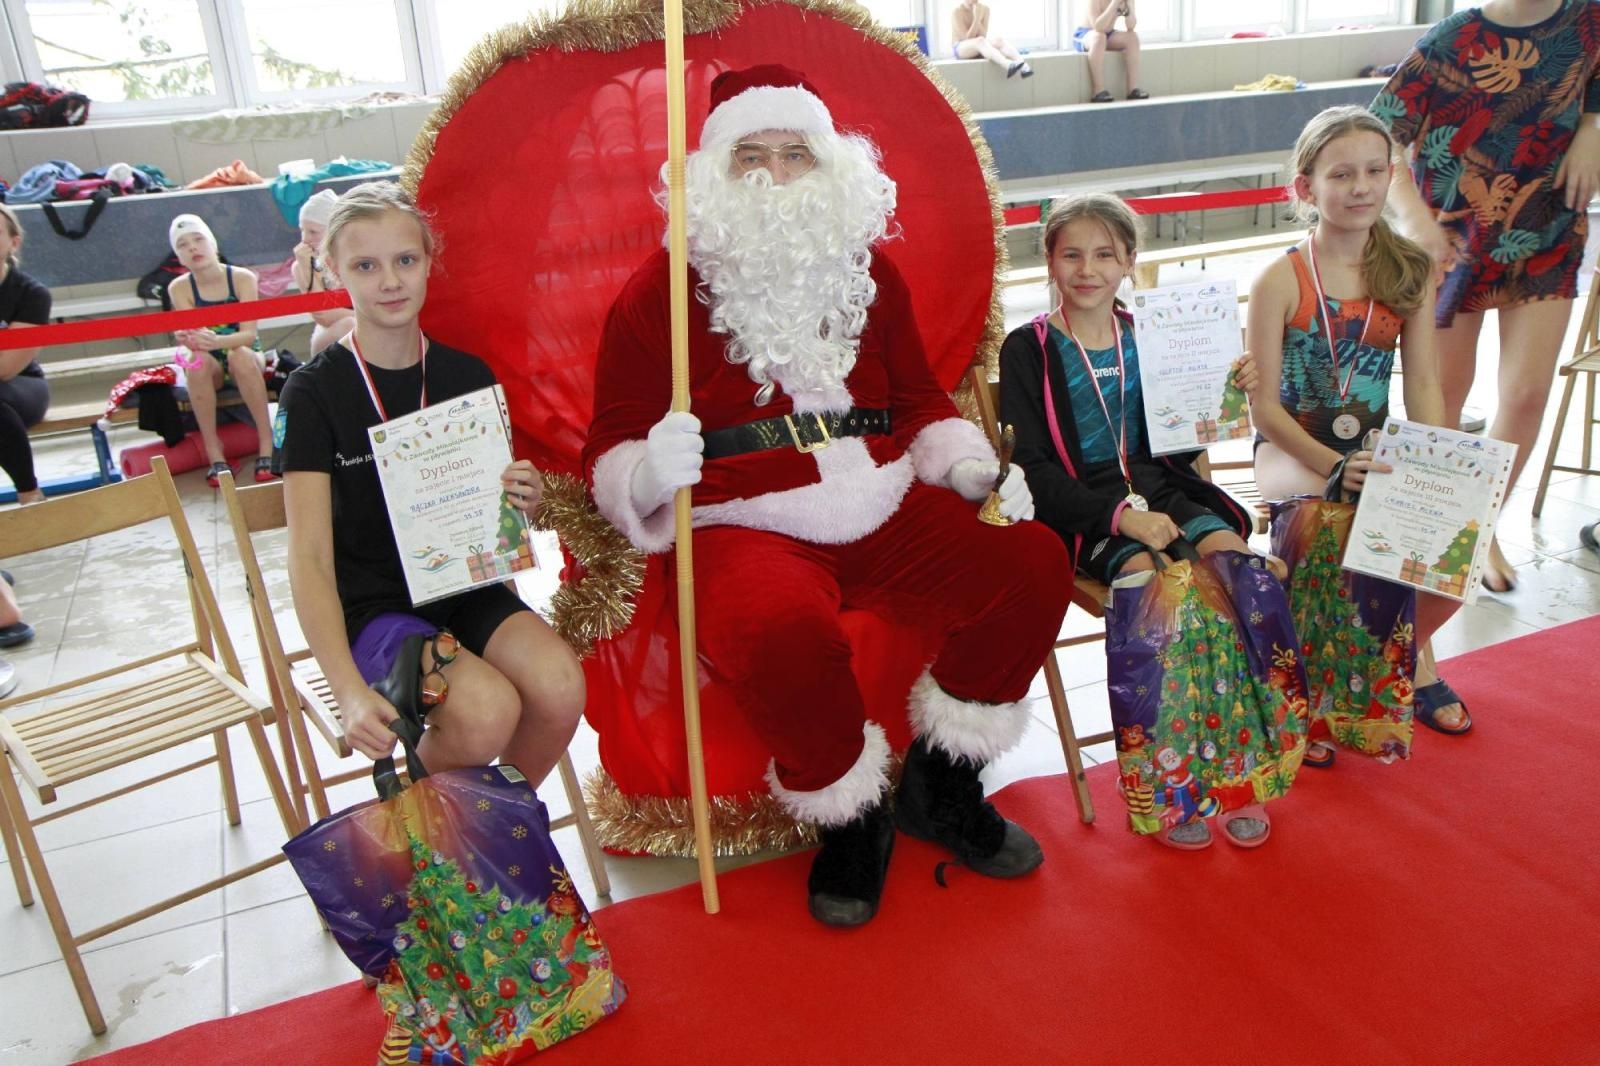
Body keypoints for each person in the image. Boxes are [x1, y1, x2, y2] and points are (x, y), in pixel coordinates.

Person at [584, 66, 1072, 926]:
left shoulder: (870, 274)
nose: (775, 175)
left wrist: (965, 468)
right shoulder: (661, 289)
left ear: (832, 167)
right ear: (714, 173)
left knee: (1030, 562)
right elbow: (610, 442)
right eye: (751, 157)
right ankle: (850, 818)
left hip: (883, 494)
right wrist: (651, 470)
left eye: (796, 154)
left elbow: (920, 398)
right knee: (772, 630)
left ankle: (942, 782)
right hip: (747, 520)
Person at [999, 193, 1306, 850]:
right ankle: (1172, 790)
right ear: (1048, 261)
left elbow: (1188, 439)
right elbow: (1028, 467)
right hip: (1087, 515)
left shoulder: (1155, 335)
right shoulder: (1028, 349)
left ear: (1130, 262)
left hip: (1164, 491)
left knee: (1239, 576)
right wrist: (1120, 520)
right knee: (1159, 594)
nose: (1088, 268)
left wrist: (1230, 387)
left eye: (1105, 253)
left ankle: (1246, 773)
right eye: (1071, 253)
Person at [279, 181, 584, 792]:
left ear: (427, 264)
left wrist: (525, 500)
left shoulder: (466, 375)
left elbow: (497, 522)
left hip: (464, 585)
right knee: (485, 711)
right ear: (335, 270)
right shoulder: (312, 394)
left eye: (405, 260)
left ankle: (491, 841)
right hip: (374, 610)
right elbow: (308, 559)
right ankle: (433, 840)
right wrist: (345, 690)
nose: (389, 280)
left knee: (559, 686)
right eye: (366, 265)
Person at [1248, 105, 1468, 745]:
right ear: (1305, 188)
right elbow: (1264, 408)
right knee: (1326, 516)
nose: (1362, 187)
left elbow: (1424, 383)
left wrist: (1441, 463)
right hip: (1293, 442)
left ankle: (1403, 654)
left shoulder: (1408, 271)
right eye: (1342, 174)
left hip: (1374, 440)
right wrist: (1333, 465)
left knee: (1452, 536)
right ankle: (1311, 678)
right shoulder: (1280, 279)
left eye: (1375, 171)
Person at [1373, 0, 1600, 593]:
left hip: (1547, 231)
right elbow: (1380, 137)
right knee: (1442, 400)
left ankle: (1480, 525)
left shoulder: (1590, 21)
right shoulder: (1452, 39)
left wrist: (1593, 127)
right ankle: (1438, 530)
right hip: (1454, 240)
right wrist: (1415, 219)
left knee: (1526, 394)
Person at [165, 214, 275, 487]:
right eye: (183, 245)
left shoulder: (241, 278)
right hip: (210, 361)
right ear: (179, 257)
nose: (192, 248)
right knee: (198, 362)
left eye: (198, 239)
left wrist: (212, 341)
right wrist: (188, 339)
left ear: (213, 244)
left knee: (240, 356)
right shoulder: (179, 288)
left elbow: (248, 336)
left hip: (245, 354)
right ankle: (214, 453)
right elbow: (196, 341)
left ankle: (267, 445)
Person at [0, 204, 51, 506]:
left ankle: (29, 493)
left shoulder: (32, 294)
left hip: (23, 385)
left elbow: (6, 367)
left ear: (13, 243)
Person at [292, 188, 358, 358]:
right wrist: (307, 269)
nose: (305, 239)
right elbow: (324, 316)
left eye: (313, 231)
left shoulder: (357, 258)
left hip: (367, 330)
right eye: (302, 230)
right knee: (350, 325)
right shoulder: (300, 266)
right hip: (329, 333)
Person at [1074, 0, 1147, 102]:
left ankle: (1132, 89)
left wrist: (1129, 6)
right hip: (1087, 34)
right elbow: (1098, 26)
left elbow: (1131, 26)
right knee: (1099, 37)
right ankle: (1098, 91)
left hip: (1107, 33)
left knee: (1132, 38)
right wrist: (1114, 4)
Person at [952, 0, 1033, 78]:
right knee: (980, 41)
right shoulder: (957, 12)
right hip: (961, 48)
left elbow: (983, 35)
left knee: (999, 40)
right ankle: (1008, 65)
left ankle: (1024, 66)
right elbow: (967, 38)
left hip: (979, 46)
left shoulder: (985, 9)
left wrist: (978, 16)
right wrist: (976, 18)